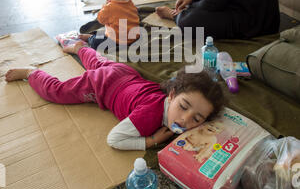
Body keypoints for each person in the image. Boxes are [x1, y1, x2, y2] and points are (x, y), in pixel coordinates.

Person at [5, 53, 224, 151]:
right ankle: (32, 72)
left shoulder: (176, 104)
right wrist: (151, 141)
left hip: (123, 72)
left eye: (197, 118)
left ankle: (80, 47)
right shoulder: (148, 116)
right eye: (183, 107)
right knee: (58, 92)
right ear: (171, 95)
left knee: (99, 62)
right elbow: (114, 139)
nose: (185, 120)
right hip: (100, 86)